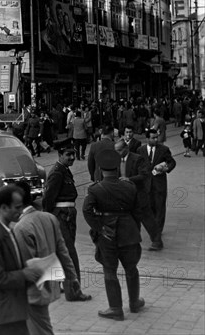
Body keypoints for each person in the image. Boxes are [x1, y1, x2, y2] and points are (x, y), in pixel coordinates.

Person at [13, 180, 84, 335]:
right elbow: (63, 253)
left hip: (31, 292)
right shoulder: (49, 218)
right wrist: (72, 279)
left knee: (40, 330)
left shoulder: (21, 228)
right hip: (48, 286)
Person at [83, 148, 144, 321]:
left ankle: (116, 309)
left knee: (110, 271)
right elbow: (139, 210)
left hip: (107, 234)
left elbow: (87, 210)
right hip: (129, 232)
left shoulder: (96, 189)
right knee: (131, 269)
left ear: (101, 170)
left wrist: (100, 228)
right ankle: (134, 303)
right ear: (117, 168)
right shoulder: (129, 186)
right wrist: (134, 228)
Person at [0, 184, 44, 334]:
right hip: (1, 313)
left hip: (13, 309)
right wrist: (25, 274)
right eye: (17, 207)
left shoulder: (8, 230)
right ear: (3, 208)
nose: (21, 211)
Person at [42, 139, 91, 302]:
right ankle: (74, 291)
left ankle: (60, 285)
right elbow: (48, 199)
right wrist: (49, 219)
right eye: (68, 154)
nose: (72, 158)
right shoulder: (57, 172)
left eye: (73, 154)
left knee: (61, 252)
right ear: (60, 155)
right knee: (69, 253)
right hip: (61, 216)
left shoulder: (64, 170)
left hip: (66, 215)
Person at [136, 128, 176, 250]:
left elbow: (172, 163)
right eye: (153, 138)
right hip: (146, 185)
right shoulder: (140, 150)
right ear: (147, 139)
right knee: (149, 208)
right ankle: (154, 229)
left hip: (159, 185)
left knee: (159, 208)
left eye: (156, 137)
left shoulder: (164, 150)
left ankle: (157, 235)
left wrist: (165, 168)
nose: (155, 139)